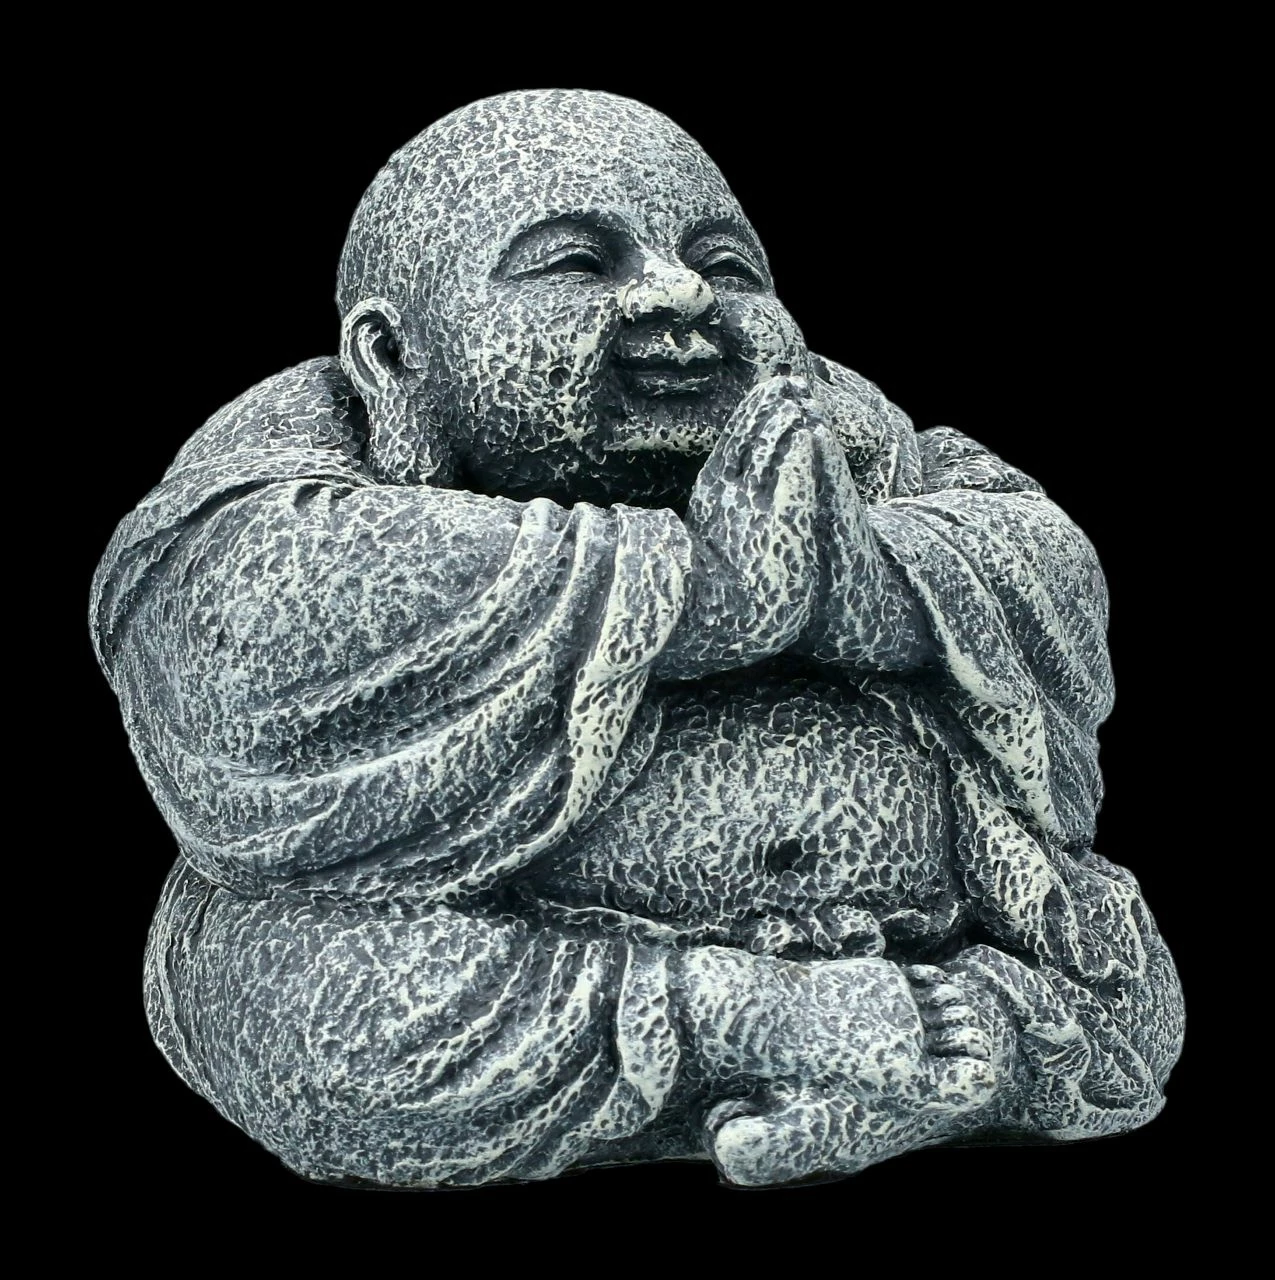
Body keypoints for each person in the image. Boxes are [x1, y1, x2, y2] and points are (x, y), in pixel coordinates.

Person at [91, 89, 1183, 1188]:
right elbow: (236, 615)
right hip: (534, 949)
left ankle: (946, 1050)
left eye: (728, 264)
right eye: (577, 262)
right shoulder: (299, 446)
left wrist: (855, 581)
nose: (682, 290)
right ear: (393, 356)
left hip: (918, 913)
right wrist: (704, 587)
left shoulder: (830, 420)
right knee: (321, 1018)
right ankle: (753, 1023)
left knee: (1126, 982)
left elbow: (1034, 547)